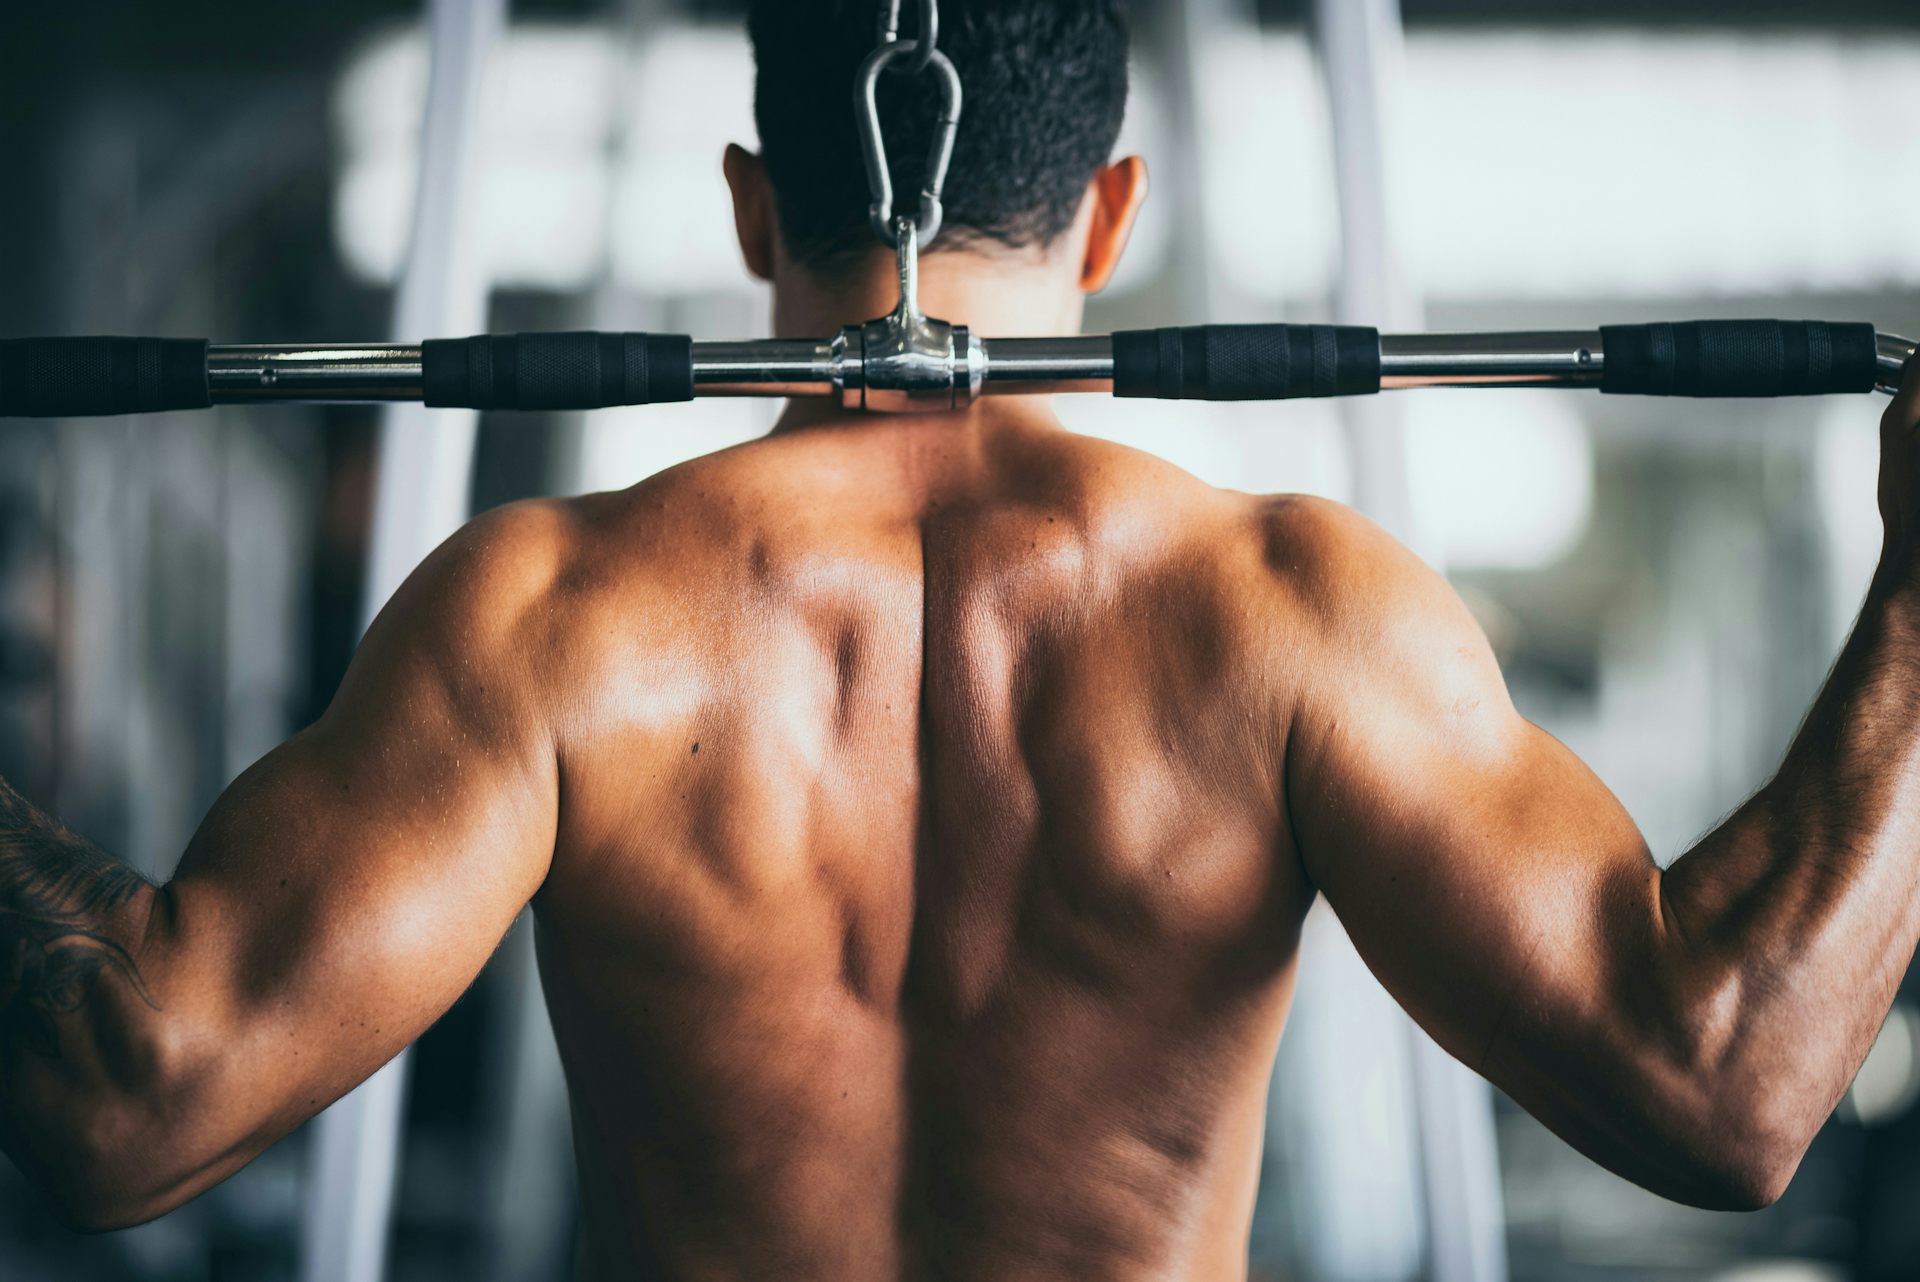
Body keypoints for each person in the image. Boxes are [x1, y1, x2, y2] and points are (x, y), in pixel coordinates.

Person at [3, 1, 1917, 1276]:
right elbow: (1730, 1072)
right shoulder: (1287, 618)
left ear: (753, 211)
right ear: (1107, 219)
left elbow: (130, 1085)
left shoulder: (555, 623)